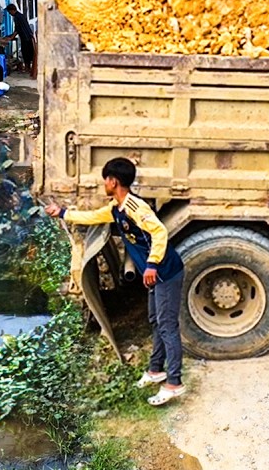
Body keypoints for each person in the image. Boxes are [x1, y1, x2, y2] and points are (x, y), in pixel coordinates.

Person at [45, 158, 187, 406]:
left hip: (165, 273)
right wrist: (64, 213)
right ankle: (156, 370)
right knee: (155, 321)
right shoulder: (115, 208)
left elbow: (159, 232)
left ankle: (174, 383)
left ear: (113, 181)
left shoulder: (135, 207)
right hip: (154, 275)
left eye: (105, 180)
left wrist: (152, 264)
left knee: (167, 326)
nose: (104, 184)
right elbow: (92, 217)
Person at [4, 3, 36, 78]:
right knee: (29, 52)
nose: (10, 14)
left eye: (9, 12)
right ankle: (28, 67)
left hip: (25, 37)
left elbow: (17, 29)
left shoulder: (17, 17)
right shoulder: (21, 15)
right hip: (29, 36)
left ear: (12, 10)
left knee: (26, 53)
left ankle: (27, 68)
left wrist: (11, 37)